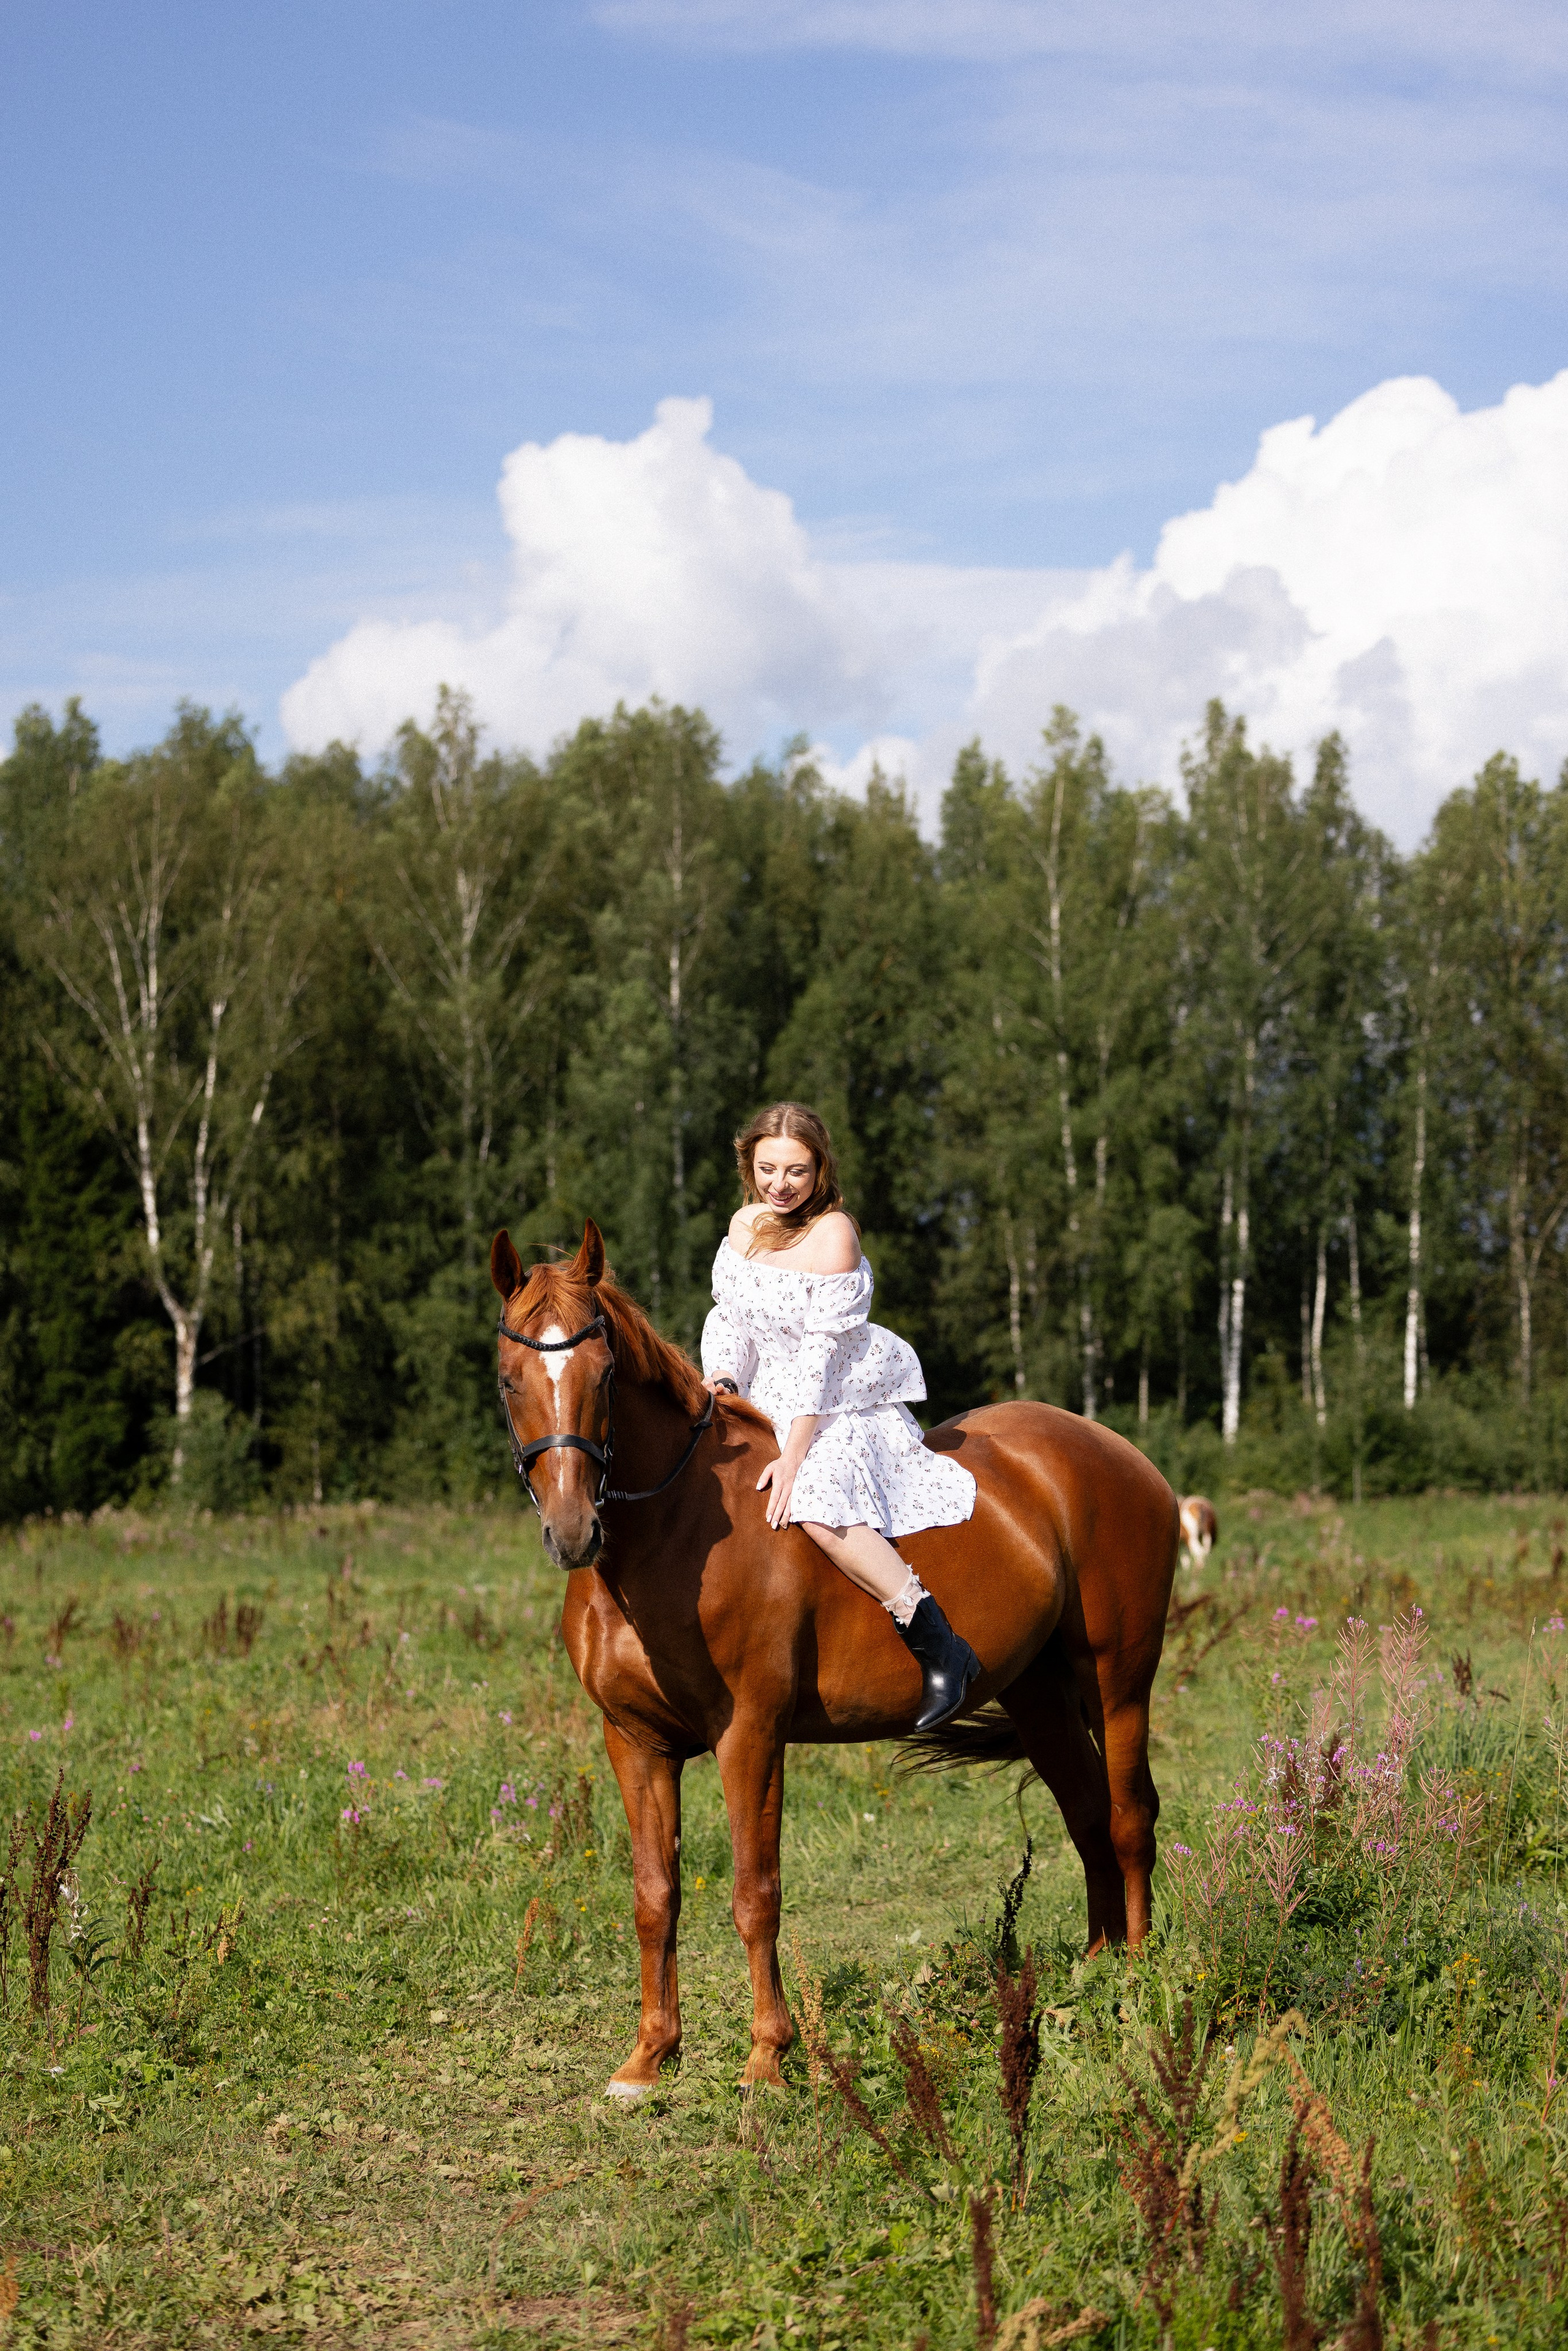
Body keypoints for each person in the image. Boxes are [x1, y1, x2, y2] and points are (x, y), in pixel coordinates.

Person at [699, 1101, 979, 1730]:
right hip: (760, 1395)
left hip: (836, 1402)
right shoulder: (744, 1224)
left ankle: (939, 1644)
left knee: (818, 1503)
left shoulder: (834, 1233)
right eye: (767, 1168)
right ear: (750, 1165)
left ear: (819, 1168)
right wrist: (721, 1377)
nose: (780, 1184)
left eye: (796, 1170)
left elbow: (821, 1359)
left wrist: (794, 1456)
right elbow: (732, 1320)